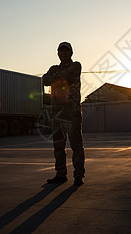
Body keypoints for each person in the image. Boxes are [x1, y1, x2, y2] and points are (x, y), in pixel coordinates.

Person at [42, 42, 85, 186]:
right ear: (58, 53)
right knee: (58, 145)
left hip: (71, 111)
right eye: (61, 51)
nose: (64, 53)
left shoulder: (76, 65)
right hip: (57, 112)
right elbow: (45, 80)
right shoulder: (53, 68)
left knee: (76, 145)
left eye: (66, 51)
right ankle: (61, 174)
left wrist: (56, 78)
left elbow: (70, 76)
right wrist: (60, 77)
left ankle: (78, 175)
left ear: (71, 53)